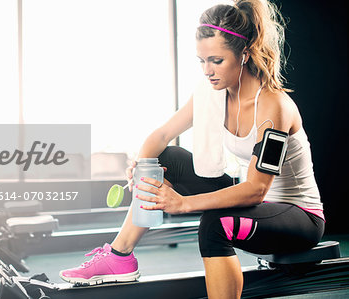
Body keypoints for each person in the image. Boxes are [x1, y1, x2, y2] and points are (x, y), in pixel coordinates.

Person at [59, 0, 325, 298]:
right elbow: (163, 134)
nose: (207, 71)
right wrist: (143, 165)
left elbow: (255, 191)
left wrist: (181, 204)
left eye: (216, 60)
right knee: (165, 158)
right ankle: (120, 258)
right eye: (201, 61)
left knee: (214, 225)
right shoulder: (212, 93)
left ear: (244, 54)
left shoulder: (273, 107)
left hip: (299, 217)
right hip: (256, 203)